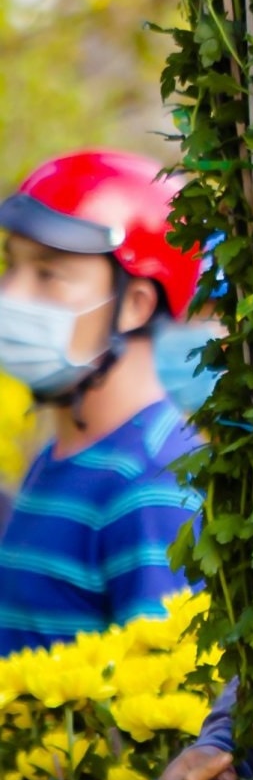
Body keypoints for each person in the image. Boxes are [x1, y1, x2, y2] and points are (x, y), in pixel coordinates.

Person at [0, 151, 202, 654]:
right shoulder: (63, 455)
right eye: (10, 265)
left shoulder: (154, 485)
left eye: (48, 275)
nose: (11, 293)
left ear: (135, 304)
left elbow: (161, 705)